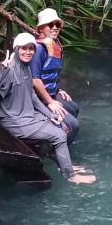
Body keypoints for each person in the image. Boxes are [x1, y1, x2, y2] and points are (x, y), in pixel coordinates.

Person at [0, 32, 95, 185]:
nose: (28, 52)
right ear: (16, 49)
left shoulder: (26, 67)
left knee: (62, 124)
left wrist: (49, 114)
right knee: (59, 135)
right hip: (14, 121)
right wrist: (2, 72)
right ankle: (70, 175)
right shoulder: (9, 70)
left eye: (31, 49)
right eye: (24, 48)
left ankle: (63, 164)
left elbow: (32, 96)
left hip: (29, 116)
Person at [30, 8, 80, 142]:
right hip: (39, 98)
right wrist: (50, 101)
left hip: (50, 93)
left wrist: (57, 89)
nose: (54, 27)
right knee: (73, 126)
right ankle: (58, 151)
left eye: (57, 24)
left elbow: (49, 74)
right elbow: (35, 80)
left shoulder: (54, 44)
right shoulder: (38, 48)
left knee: (74, 108)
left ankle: (61, 137)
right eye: (50, 24)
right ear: (41, 28)